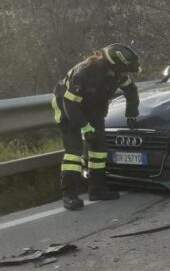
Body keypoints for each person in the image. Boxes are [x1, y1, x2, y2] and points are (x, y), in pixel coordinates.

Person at [52, 44, 141, 210]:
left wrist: (131, 114)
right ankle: (69, 195)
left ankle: (97, 189)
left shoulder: (116, 73)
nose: (125, 73)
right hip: (68, 109)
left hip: (93, 108)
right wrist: (85, 128)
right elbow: (70, 104)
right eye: (124, 69)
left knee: (99, 149)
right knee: (74, 153)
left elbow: (131, 90)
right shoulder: (85, 74)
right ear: (115, 64)